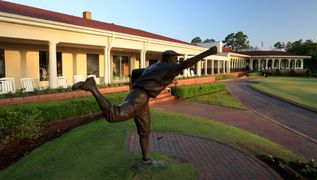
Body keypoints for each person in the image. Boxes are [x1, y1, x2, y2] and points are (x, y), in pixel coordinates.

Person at [72, 46, 217, 163]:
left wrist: (134, 86)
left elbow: (135, 72)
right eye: (175, 59)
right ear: (169, 60)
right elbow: (187, 63)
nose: (177, 61)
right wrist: (208, 52)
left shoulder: (155, 66)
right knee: (113, 115)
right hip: (139, 98)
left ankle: (146, 158)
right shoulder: (168, 67)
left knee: (144, 131)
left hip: (141, 98)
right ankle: (92, 87)